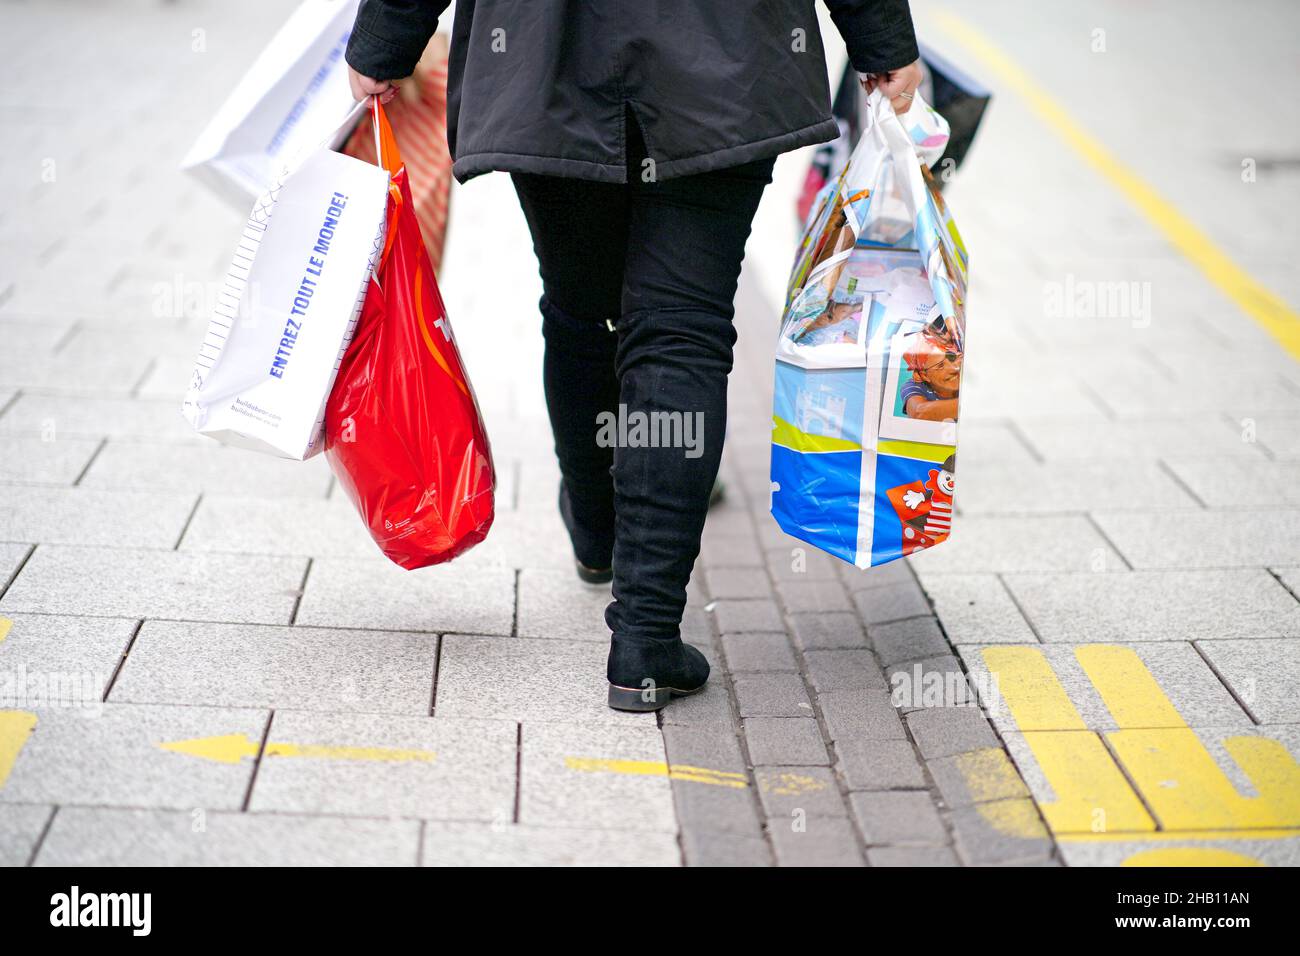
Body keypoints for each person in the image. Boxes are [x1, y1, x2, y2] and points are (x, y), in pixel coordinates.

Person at [345, 0, 923, 711]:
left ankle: (595, 526)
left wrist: (383, 42)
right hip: (721, 62)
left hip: (546, 55)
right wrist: (882, 39)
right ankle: (646, 637)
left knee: (580, 309)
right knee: (682, 327)